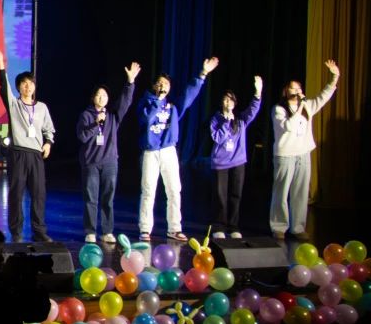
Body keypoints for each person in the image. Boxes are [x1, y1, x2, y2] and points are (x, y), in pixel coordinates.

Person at [137, 57, 218, 242]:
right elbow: (146, 119)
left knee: (174, 189)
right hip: (150, 151)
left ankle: (174, 228)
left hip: (168, 150)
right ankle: (145, 229)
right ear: (154, 86)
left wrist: (203, 74)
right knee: (148, 190)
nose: (163, 86)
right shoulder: (146, 102)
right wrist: (157, 100)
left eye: (166, 84)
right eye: (159, 83)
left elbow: (189, 95)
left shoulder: (173, 106)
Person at [0, 47, 55, 242]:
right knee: (16, 193)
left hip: (36, 155)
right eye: (24, 84)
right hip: (18, 153)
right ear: (19, 87)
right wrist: (0, 64)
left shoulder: (42, 107)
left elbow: (49, 129)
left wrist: (48, 143)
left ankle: (39, 230)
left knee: (38, 194)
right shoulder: (14, 104)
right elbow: (4, 88)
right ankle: (16, 232)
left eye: (30, 83)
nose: (28, 87)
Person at [271, 60, 339, 241]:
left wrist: (334, 77)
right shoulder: (278, 109)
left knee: (300, 192)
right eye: (293, 88)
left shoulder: (308, 105)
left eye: (299, 88)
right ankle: (279, 227)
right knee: (281, 192)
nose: (297, 91)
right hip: (285, 155)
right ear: (286, 91)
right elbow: (289, 126)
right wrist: (301, 105)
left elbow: (323, 97)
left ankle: (298, 227)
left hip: (303, 153)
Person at [75, 63, 140, 244]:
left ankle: (107, 231)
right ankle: (90, 231)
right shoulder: (86, 115)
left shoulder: (113, 115)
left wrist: (130, 82)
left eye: (104, 95)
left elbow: (126, 101)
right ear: (93, 98)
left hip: (110, 162)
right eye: (99, 95)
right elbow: (82, 136)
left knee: (108, 198)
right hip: (91, 162)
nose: (102, 97)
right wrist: (96, 123)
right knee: (91, 198)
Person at [209, 76, 262, 240]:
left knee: (235, 195)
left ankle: (233, 226)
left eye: (231, 100)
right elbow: (217, 138)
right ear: (221, 102)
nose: (228, 102)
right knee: (221, 196)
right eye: (225, 99)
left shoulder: (240, 119)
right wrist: (226, 122)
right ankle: (219, 226)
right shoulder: (216, 119)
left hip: (238, 162)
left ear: (234, 103)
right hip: (220, 163)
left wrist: (258, 92)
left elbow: (253, 110)